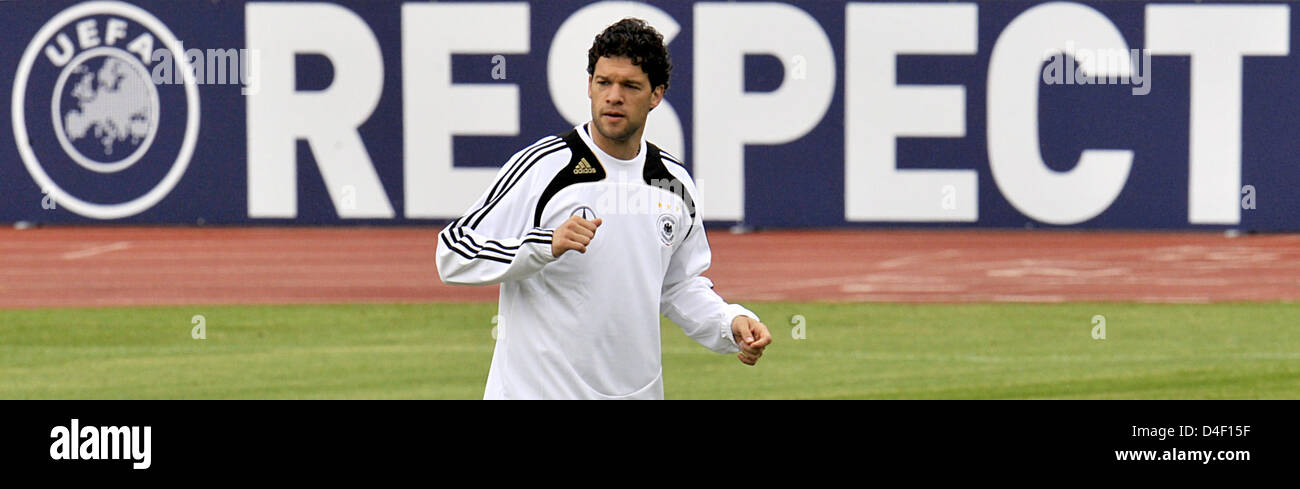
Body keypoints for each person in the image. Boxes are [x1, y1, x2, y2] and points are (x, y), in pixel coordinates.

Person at [436, 17, 771, 400]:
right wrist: (544, 244)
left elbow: (678, 285)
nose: (614, 96)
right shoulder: (545, 166)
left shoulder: (673, 183)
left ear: (656, 94)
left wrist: (729, 322)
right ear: (590, 86)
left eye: (630, 86)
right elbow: (452, 251)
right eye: (603, 82)